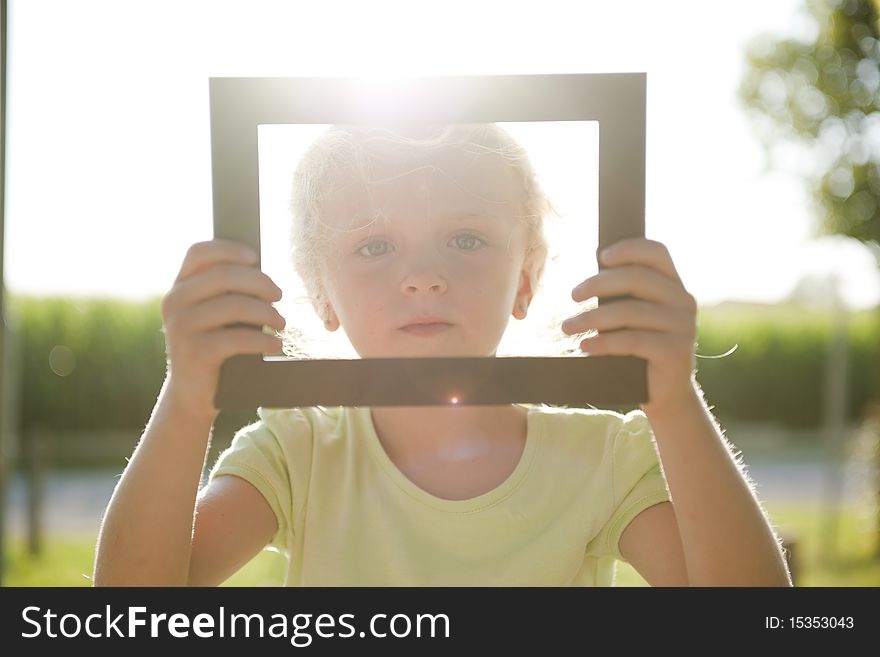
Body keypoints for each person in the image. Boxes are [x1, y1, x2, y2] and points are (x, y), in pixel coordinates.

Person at [93, 124, 792, 586]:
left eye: (465, 238)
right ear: (321, 292)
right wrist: (186, 399)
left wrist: (674, 399)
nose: (422, 275)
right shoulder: (301, 449)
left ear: (525, 278)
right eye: (373, 245)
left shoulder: (601, 457)